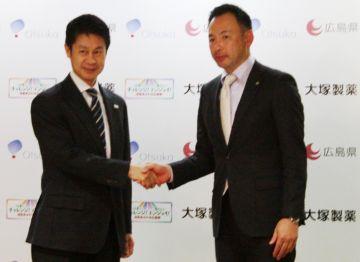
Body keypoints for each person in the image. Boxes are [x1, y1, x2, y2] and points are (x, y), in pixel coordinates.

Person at [142, 4, 307, 262]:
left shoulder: (277, 85)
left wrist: (292, 217)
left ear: (248, 37)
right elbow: (207, 156)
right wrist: (170, 171)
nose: (217, 45)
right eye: (211, 39)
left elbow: (294, 157)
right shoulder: (210, 92)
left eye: (225, 36)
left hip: (271, 226)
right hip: (226, 224)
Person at [26, 14, 153, 261]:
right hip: (61, 238)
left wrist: (125, 228)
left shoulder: (117, 105)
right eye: (83, 51)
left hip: (106, 238)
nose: (91, 60)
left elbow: (121, 165)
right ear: (68, 50)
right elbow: (69, 158)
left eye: (98, 51)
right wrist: (128, 169)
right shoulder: (48, 103)